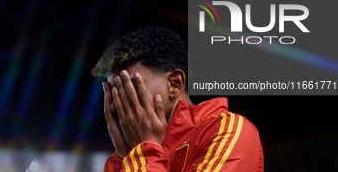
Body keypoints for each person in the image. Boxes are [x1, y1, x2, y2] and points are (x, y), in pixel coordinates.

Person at [92, 26, 264, 172]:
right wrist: (125, 157)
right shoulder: (127, 157)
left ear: (175, 83)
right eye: (113, 92)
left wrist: (144, 151)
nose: (117, 104)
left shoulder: (228, 131)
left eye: (130, 88)